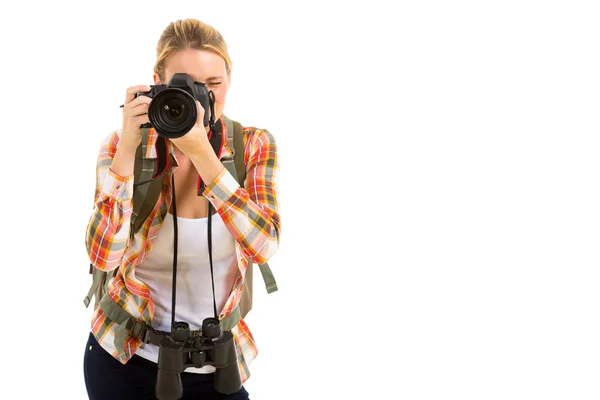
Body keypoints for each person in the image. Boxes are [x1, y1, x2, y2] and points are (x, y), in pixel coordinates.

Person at [83, 18, 280, 399]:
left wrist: (205, 157)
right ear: (156, 80)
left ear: (229, 80)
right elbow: (102, 256)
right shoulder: (126, 146)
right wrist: (127, 148)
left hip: (221, 361)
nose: (200, 98)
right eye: (185, 86)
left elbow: (264, 245)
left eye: (213, 85)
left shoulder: (253, 145)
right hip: (125, 355)